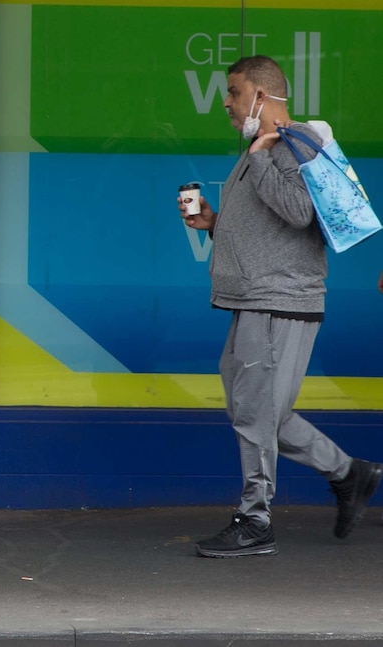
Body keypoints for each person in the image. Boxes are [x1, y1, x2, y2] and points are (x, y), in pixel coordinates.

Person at [179, 55, 382, 558]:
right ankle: (349, 473)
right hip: (255, 300)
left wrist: (264, 156)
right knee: (257, 411)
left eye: (233, 91)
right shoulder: (265, 146)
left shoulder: (294, 144)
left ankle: (256, 519)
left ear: (262, 96)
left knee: (254, 413)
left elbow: (297, 212)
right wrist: (217, 222)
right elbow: (269, 224)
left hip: (278, 302)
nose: (226, 102)